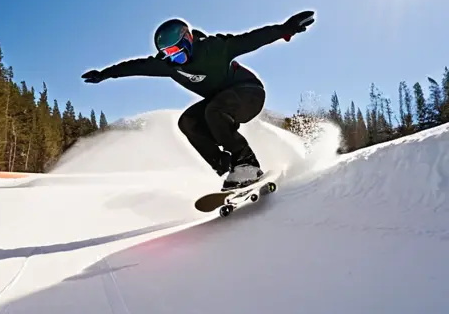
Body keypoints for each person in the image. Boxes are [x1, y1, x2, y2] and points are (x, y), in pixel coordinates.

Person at [81, 10, 315, 191]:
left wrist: (286, 29)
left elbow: (251, 39)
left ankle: (247, 163)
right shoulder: (169, 66)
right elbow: (136, 66)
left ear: (188, 41)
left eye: (178, 52)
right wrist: (105, 73)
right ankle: (226, 167)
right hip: (221, 103)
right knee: (188, 121)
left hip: (249, 93)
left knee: (213, 110)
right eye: (169, 55)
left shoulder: (214, 48)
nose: (175, 59)